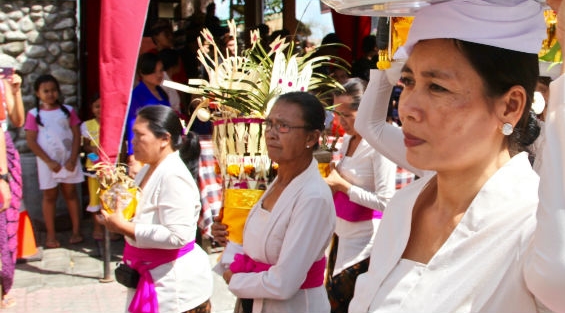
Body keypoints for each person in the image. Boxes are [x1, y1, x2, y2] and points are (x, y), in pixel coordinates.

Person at [349, 0, 565, 312]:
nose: (409, 107)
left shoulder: (532, 222)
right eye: (409, 81)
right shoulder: (405, 205)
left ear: (511, 106)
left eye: (438, 87)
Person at [214, 91, 336, 313]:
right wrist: (229, 236)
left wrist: (233, 278)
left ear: (311, 138)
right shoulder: (279, 181)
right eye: (269, 124)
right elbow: (261, 243)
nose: (271, 133)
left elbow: (284, 283)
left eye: (283, 126)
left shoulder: (313, 197)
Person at [100, 105, 213, 313]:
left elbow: (178, 235)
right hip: (153, 277)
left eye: (139, 135)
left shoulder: (174, 176)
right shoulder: (146, 170)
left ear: (164, 139)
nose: (132, 142)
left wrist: (125, 227)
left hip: (176, 289)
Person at [324, 79, 396, 312]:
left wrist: (343, 185)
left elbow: (386, 202)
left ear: (366, 109)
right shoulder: (347, 140)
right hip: (341, 235)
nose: (341, 121)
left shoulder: (379, 145)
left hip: (365, 243)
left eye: (347, 114)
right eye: (337, 114)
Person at [24, 74, 84, 248]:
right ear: (37, 93)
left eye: (53, 90)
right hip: (47, 164)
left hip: (68, 160)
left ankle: (76, 231)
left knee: (71, 194)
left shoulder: (67, 111)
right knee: (49, 196)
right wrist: (49, 162)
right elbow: (31, 141)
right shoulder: (34, 114)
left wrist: (73, 159)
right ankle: (51, 235)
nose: (50, 94)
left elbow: (76, 135)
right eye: (45, 91)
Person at [0, 70, 24, 308]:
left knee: (6, 221)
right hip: (1, 164)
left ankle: (2, 289)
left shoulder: (2, 80)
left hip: (4, 153)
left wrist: (15, 92)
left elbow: (17, 121)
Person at [126, 53, 172, 160]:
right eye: (154, 71)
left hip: (163, 147)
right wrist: (132, 153)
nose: (159, 75)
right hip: (146, 148)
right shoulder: (137, 95)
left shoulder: (161, 92)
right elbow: (132, 123)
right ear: (142, 72)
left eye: (160, 71)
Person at [81, 94, 105, 240]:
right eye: (97, 106)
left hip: (110, 168)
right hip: (94, 167)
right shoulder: (87, 125)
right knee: (95, 198)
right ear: (91, 108)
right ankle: (97, 228)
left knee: (109, 198)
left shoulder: (113, 123)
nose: (100, 110)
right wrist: (94, 153)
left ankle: (111, 228)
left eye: (103, 106)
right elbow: (85, 146)